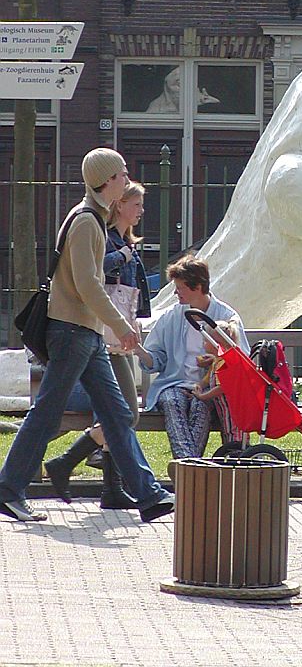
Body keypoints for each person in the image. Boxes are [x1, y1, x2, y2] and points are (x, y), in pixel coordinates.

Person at [0, 148, 174, 523]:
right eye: (122, 175)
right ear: (107, 180)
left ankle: (149, 495)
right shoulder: (85, 223)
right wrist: (123, 327)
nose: (126, 180)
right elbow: (88, 286)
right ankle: (8, 488)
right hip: (73, 332)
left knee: (118, 413)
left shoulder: (95, 220)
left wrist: (110, 327)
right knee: (47, 414)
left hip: (87, 334)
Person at [45, 181, 151, 509]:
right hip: (102, 331)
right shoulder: (104, 236)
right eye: (137, 204)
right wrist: (121, 255)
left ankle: (111, 488)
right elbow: (93, 275)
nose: (141, 211)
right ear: (120, 205)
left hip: (115, 332)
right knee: (125, 413)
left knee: (121, 412)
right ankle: (67, 462)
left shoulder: (127, 242)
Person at [136, 256, 248, 459]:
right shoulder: (171, 316)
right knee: (171, 402)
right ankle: (189, 464)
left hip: (210, 388)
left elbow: (240, 357)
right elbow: (156, 359)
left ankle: (185, 465)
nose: (175, 292)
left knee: (201, 406)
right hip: (174, 383)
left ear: (197, 286)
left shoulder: (226, 316)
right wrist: (139, 350)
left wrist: (215, 360)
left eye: (180, 287)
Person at [192, 320, 250, 450]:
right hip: (224, 412)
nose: (203, 344)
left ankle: (239, 455)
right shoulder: (217, 360)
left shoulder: (225, 364)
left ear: (216, 344)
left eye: (206, 341)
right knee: (227, 433)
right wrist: (200, 385)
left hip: (234, 412)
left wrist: (204, 396)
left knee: (234, 436)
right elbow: (208, 379)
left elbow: (222, 387)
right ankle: (231, 456)